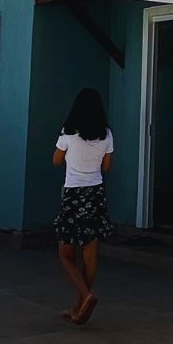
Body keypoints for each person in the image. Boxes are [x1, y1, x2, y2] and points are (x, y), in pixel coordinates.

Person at [52, 87, 113, 325]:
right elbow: (107, 167)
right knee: (90, 253)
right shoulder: (106, 134)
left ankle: (86, 297)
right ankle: (79, 305)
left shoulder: (68, 132)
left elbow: (56, 161)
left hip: (73, 195)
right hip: (96, 193)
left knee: (65, 253)